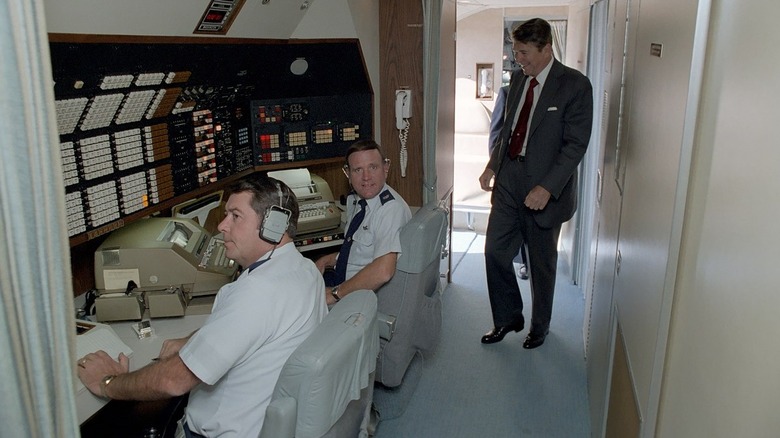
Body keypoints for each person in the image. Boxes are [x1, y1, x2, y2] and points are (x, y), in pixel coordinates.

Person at [77, 175, 328, 437]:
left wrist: (108, 382)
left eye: (235, 216)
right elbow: (248, 330)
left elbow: (172, 381)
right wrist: (193, 340)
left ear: (273, 226)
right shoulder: (304, 269)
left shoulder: (258, 292)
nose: (222, 225)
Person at [478, 18, 593, 349]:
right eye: (516, 52)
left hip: (544, 187)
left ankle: (539, 327)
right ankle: (508, 317)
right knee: (495, 251)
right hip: (510, 178)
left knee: (541, 265)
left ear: (546, 49)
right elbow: (507, 130)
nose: (519, 60)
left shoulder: (574, 85)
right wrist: (491, 167)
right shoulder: (516, 80)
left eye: (525, 53)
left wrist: (548, 187)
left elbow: (575, 145)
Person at [315, 140, 412, 306]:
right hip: (344, 281)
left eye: (373, 167)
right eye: (358, 170)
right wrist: (328, 260)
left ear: (386, 168)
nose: (366, 177)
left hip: (357, 296)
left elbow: (383, 271)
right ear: (348, 173)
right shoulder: (357, 201)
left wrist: (334, 294)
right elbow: (360, 252)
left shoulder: (390, 209)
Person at [489, 84, 529, 281]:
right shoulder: (508, 92)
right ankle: (520, 260)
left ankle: (526, 262)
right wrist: (495, 168)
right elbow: (497, 135)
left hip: (536, 180)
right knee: (496, 247)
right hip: (509, 176)